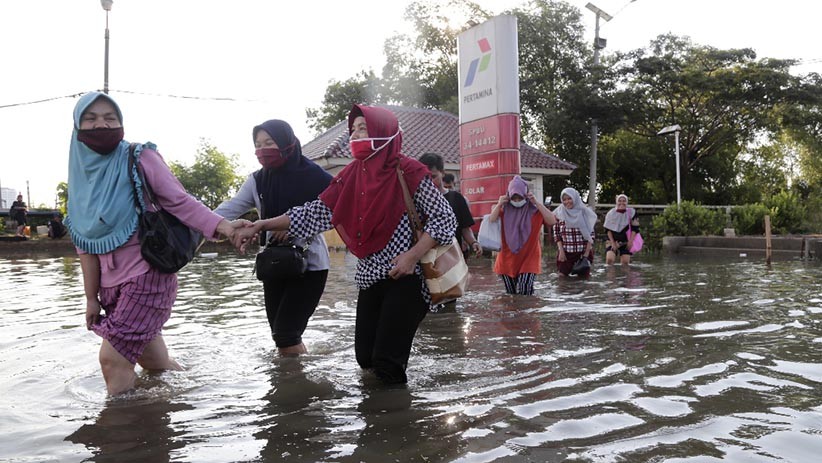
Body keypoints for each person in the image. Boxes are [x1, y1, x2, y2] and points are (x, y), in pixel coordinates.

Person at [232, 104, 457, 384]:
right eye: (353, 130)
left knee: (387, 362)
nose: (355, 135)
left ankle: (391, 420)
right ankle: (376, 416)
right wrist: (262, 224)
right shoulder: (352, 175)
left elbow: (444, 220)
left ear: (383, 131)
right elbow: (317, 212)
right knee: (365, 358)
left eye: (363, 128)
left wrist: (412, 256)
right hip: (370, 277)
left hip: (409, 277)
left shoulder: (410, 172)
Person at [65, 91, 244, 396]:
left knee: (112, 359)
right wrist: (91, 298)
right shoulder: (80, 178)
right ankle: (200, 394)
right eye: (91, 119)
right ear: (77, 127)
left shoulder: (139, 157)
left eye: (110, 119)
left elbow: (180, 202)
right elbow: (85, 245)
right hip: (110, 287)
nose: (102, 126)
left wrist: (225, 226)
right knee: (154, 362)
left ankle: (122, 437)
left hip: (147, 276)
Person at [214, 119, 332, 356]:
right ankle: (293, 378)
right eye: (258, 144)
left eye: (269, 142)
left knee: (286, 334)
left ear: (287, 142)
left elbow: (335, 214)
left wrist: (296, 226)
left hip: (310, 264)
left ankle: (295, 386)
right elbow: (230, 209)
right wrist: (200, 221)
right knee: (281, 336)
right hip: (273, 265)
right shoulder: (257, 180)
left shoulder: (316, 177)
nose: (262, 149)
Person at [487, 176, 557, 295]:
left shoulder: (535, 211)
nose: (517, 200)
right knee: (511, 296)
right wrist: (499, 204)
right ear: (509, 196)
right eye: (514, 197)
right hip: (507, 260)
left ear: (526, 195)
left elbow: (552, 221)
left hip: (529, 258)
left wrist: (537, 203)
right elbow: (491, 220)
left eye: (520, 197)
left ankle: (528, 313)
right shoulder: (503, 211)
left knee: (526, 291)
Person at [417, 153, 482, 258]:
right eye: (425, 178)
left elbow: (465, 228)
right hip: (426, 259)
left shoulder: (457, 198)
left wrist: (473, 242)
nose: (429, 182)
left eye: (433, 177)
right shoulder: (418, 201)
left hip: (452, 259)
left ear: (442, 173)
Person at [553, 187, 598, 277]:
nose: (567, 202)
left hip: (582, 253)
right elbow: (557, 234)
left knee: (583, 283)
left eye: (569, 198)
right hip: (565, 253)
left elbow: (591, 235)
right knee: (562, 281)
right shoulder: (559, 213)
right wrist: (561, 251)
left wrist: (585, 255)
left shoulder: (584, 212)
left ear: (575, 198)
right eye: (564, 199)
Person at [604, 194, 641, 265]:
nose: (622, 203)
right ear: (616, 202)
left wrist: (630, 241)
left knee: (625, 263)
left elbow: (635, 229)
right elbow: (607, 229)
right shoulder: (611, 213)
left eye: (624, 201)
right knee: (609, 260)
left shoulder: (632, 212)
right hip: (612, 240)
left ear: (627, 202)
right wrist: (613, 243)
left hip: (626, 241)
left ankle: (624, 276)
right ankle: (610, 275)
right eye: (619, 201)